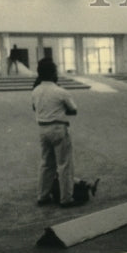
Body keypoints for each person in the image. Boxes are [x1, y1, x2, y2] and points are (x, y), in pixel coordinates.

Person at [31, 57, 78, 207]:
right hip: (58, 129)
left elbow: (34, 108)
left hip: (42, 129)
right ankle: (66, 199)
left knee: (46, 163)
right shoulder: (60, 91)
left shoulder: (36, 91)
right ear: (53, 73)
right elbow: (73, 110)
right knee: (64, 164)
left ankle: (42, 196)